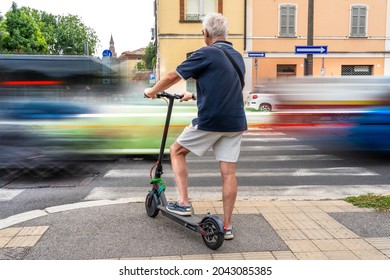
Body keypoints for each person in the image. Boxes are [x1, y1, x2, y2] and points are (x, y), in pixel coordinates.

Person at [144, 12, 247, 240]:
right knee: (228, 172)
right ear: (226, 34)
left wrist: (151, 91)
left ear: (206, 33)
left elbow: (173, 76)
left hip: (212, 120)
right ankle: (227, 226)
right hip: (235, 121)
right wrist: (192, 95)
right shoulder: (237, 56)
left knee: (176, 151)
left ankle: (183, 202)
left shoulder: (206, 52)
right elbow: (224, 85)